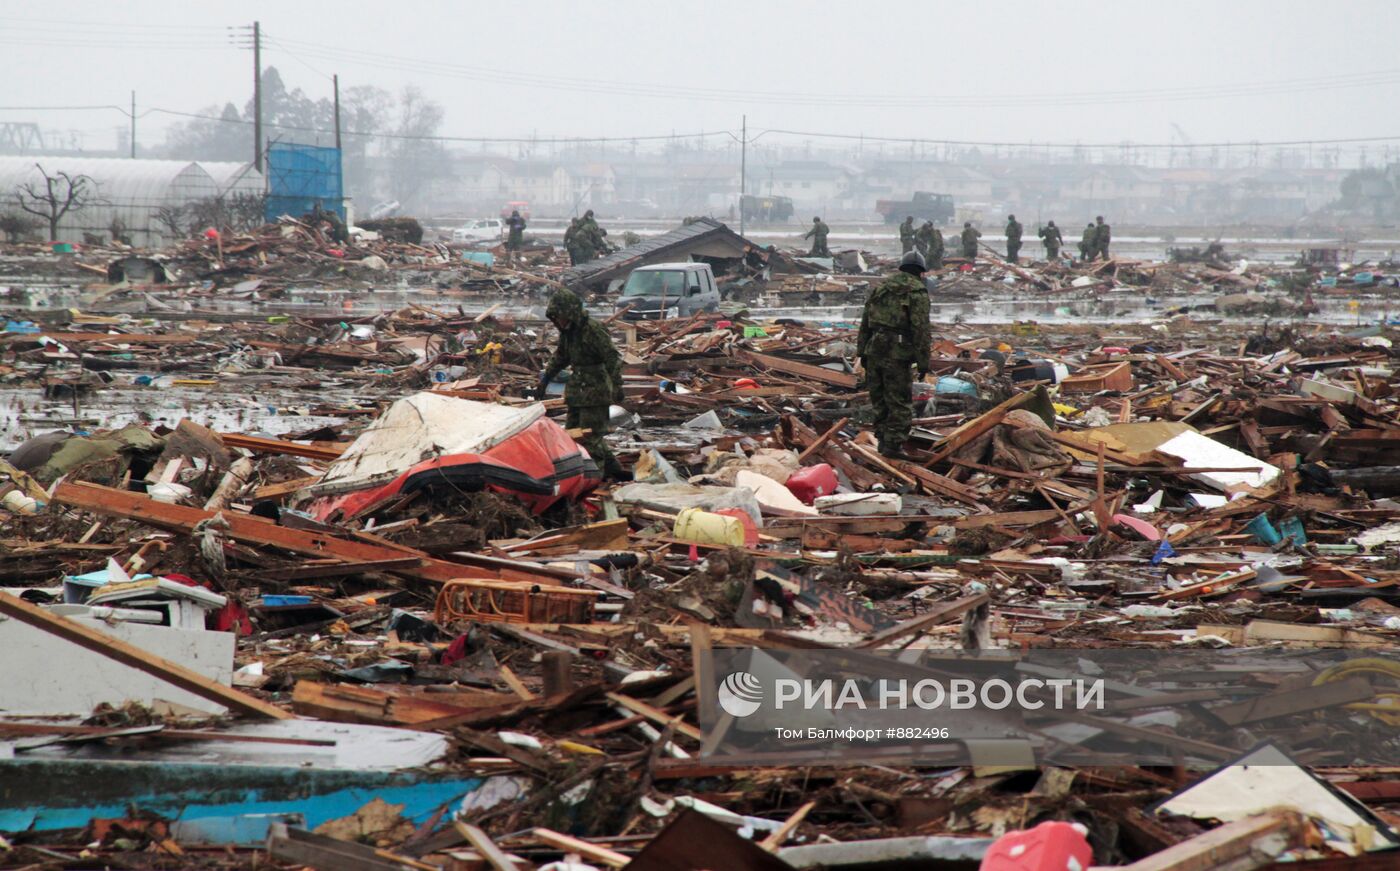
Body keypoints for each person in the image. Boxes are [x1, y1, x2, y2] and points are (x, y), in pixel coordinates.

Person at [536, 289, 626, 481]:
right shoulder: (568, 332)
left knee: (591, 437)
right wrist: (546, 378)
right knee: (573, 434)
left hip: (596, 388)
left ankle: (594, 479)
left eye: (560, 316)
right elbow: (561, 356)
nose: (558, 321)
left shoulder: (593, 329)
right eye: (555, 318)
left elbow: (611, 357)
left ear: (570, 312)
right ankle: (614, 469)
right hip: (577, 389)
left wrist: (617, 385)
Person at [857, 250, 931, 459]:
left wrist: (862, 351)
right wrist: (923, 362)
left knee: (879, 398)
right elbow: (921, 330)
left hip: (874, 349)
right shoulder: (917, 292)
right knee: (898, 400)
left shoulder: (881, 288)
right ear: (921, 272)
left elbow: (865, 322)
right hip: (897, 353)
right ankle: (894, 445)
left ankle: (882, 440)